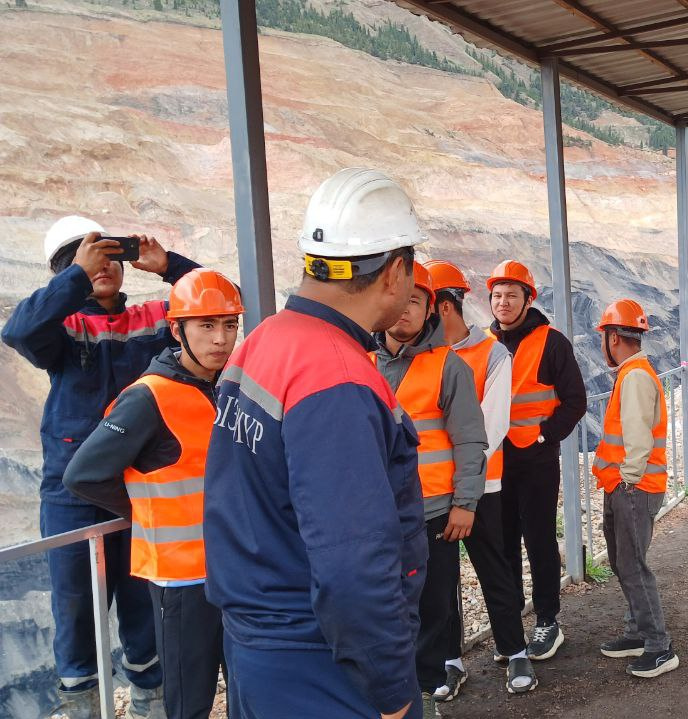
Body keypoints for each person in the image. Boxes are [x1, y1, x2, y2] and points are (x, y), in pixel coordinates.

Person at [203, 168, 427, 719]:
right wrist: (391, 689)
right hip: (321, 667)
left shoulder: (265, 340)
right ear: (395, 272)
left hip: (257, 650)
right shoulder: (336, 378)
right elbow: (353, 565)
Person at [3, 216, 199, 717]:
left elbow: (216, 304)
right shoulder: (60, 328)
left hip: (140, 486)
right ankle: (82, 705)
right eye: (85, 258)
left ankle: (149, 701)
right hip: (71, 494)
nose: (101, 266)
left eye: (109, 255)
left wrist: (169, 265)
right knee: (74, 608)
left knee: (142, 603)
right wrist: (76, 277)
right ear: (62, 271)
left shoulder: (152, 319)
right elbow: (18, 331)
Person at [63, 269, 243, 719]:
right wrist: (142, 511)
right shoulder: (148, 398)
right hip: (182, 579)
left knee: (246, 689)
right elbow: (83, 474)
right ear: (177, 330)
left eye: (229, 324)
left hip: (235, 567)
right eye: (206, 325)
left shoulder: (226, 386)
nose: (220, 338)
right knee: (190, 701)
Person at [372, 261, 490, 717]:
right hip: (375, 514)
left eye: (415, 301)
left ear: (429, 310)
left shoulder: (449, 367)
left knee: (433, 606)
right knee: (384, 606)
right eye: (398, 300)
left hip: (434, 514)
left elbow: (470, 439)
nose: (404, 310)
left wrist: (465, 503)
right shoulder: (361, 364)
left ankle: (423, 693)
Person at [422, 259, 533, 700]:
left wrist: (462, 478)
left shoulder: (492, 354)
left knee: (494, 570)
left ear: (443, 307)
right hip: (435, 491)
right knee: (440, 581)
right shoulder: (425, 359)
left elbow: (492, 425)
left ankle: (514, 650)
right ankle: (449, 661)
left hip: (481, 487)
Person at [487, 260, 587, 660]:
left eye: (512, 295)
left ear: (528, 299)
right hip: (496, 461)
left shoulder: (552, 342)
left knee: (539, 538)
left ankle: (548, 620)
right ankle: (511, 626)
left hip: (536, 461)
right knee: (503, 542)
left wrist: (544, 435)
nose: (503, 302)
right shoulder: (484, 344)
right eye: (497, 295)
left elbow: (575, 401)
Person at [592, 299, 679, 679]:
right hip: (627, 485)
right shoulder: (633, 374)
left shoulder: (635, 377)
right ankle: (637, 633)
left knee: (632, 566)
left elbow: (638, 439)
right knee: (624, 562)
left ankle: (659, 646)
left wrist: (627, 481)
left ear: (612, 338)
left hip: (633, 487)